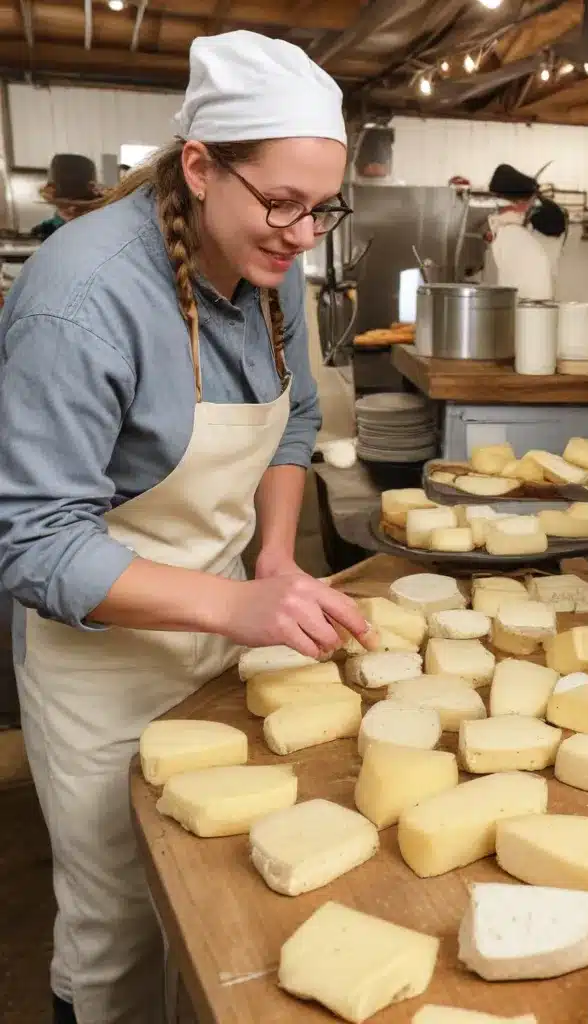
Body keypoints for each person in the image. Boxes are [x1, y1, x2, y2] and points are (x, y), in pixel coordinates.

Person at [0, 29, 373, 1024]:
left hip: (224, 636)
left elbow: (291, 418)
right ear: (201, 167)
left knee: (221, 912)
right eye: (282, 203)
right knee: (117, 928)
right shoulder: (83, 299)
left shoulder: (269, 261)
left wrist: (278, 559)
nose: (301, 235)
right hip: (102, 667)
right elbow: (34, 543)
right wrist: (237, 603)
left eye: (320, 210)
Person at [483, 161, 567, 300]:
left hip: (538, 295)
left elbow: (555, 225)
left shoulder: (548, 211)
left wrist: (522, 219)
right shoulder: (510, 221)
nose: (502, 209)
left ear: (519, 201)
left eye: (505, 201)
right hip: (515, 293)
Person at [30, 153, 105, 240]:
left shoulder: (105, 232)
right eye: (65, 207)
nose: (72, 209)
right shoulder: (42, 232)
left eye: (80, 208)